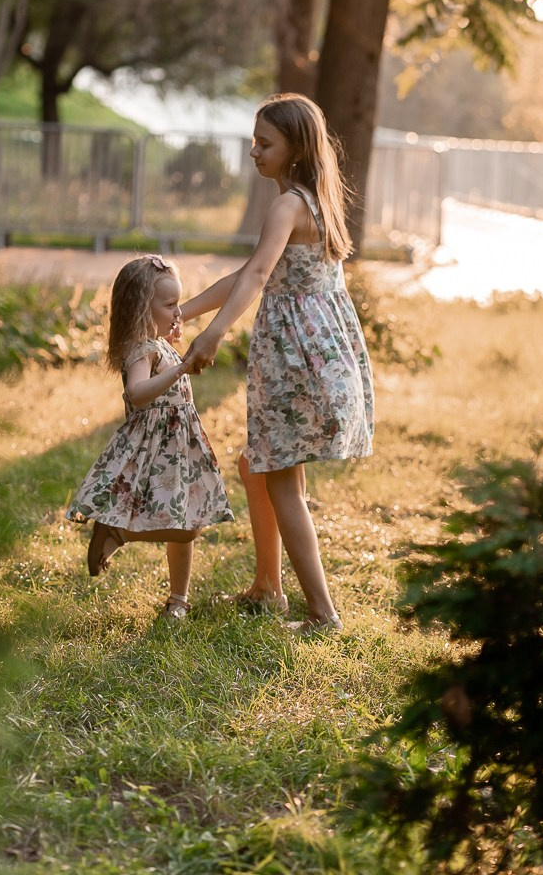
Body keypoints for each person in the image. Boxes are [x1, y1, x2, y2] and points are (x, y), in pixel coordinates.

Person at [181, 93, 373, 636]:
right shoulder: (315, 201)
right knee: (259, 466)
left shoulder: (288, 204)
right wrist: (182, 312)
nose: (253, 152)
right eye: (253, 141)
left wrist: (211, 335)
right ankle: (269, 586)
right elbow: (248, 272)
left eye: (264, 143)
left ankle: (322, 614)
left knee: (279, 480)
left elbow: (259, 277)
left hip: (296, 363)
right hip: (319, 359)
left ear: (295, 148)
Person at [66, 255, 233, 620]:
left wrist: (175, 350)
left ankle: (178, 599)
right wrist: (182, 368)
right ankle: (115, 532)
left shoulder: (160, 343)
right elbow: (137, 392)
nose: (179, 312)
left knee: (186, 518)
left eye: (178, 303)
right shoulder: (142, 349)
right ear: (143, 310)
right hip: (154, 449)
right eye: (170, 305)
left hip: (180, 448)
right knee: (186, 530)